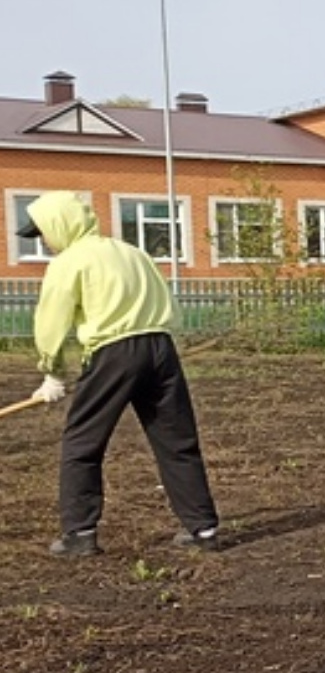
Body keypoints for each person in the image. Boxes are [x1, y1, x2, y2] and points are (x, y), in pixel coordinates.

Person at [18, 191, 220, 557]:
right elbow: (168, 303)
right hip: (160, 349)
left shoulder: (70, 261)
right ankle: (203, 529)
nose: (45, 242)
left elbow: (51, 321)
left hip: (114, 353)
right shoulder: (131, 252)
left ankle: (79, 534)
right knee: (176, 441)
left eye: (44, 233)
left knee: (81, 443)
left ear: (60, 226)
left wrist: (52, 371)